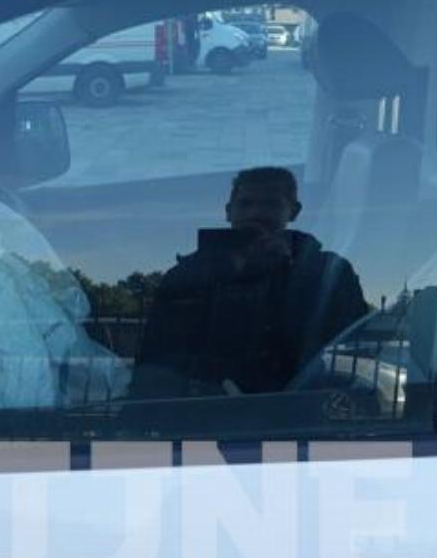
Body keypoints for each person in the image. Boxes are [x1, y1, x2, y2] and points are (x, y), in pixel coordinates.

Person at [130, 166, 367, 398]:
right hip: (200, 414)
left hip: (299, 413)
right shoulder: (186, 276)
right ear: (228, 211)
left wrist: (292, 272)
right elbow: (154, 361)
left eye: (271, 204)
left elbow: (356, 344)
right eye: (245, 204)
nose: (256, 214)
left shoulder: (328, 273)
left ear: (294, 211)